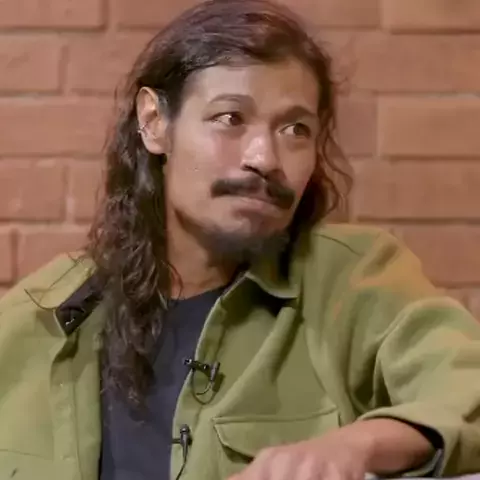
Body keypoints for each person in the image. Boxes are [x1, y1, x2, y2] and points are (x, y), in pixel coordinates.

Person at [1, 0, 480, 479]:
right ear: (154, 123)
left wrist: (356, 446)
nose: (265, 158)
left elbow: (464, 387)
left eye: (296, 129)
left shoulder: (352, 282)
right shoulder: (40, 314)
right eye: (230, 118)